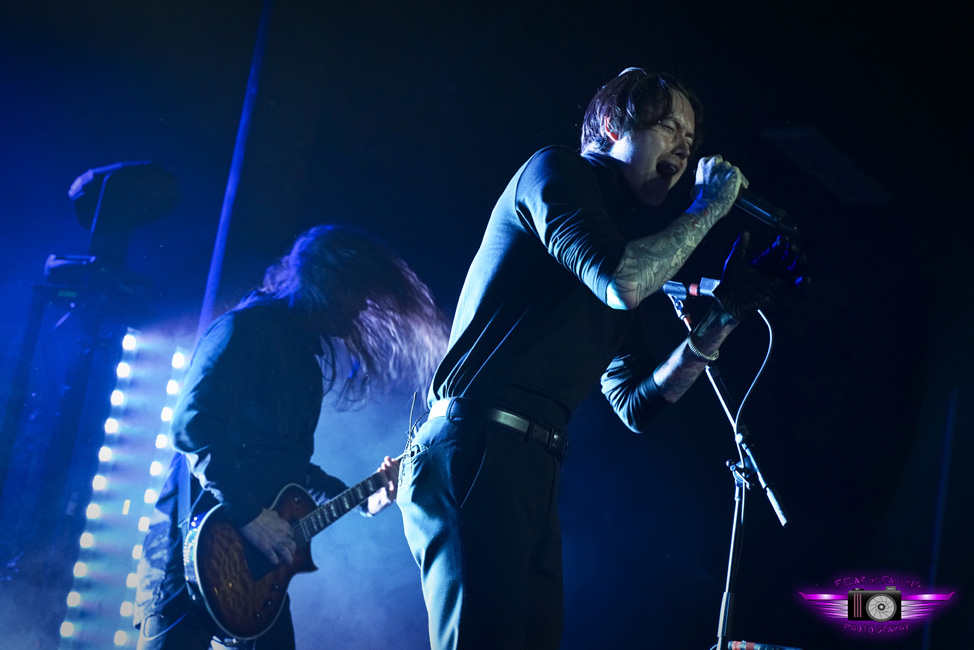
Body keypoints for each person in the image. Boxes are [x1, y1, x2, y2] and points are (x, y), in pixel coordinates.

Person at [396, 68, 804, 649]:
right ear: (612, 125)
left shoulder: (616, 243)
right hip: (476, 445)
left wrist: (725, 317)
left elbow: (636, 403)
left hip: (532, 465)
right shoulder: (554, 171)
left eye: (690, 140)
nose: (684, 148)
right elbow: (621, 281)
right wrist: (710, 207)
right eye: (667, 127)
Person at [134, 224, 449, 649]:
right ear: (326, 282)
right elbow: (191, 424)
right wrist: (249, 515)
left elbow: (290, 470)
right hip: (193, 551)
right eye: (355, 291)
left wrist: (364, 498)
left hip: (256, 570)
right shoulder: (246, 329)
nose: (363, 306)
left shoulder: (304, 357)